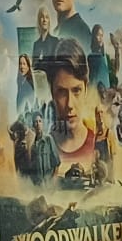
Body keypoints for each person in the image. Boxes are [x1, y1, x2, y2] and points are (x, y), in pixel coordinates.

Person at [37, 39, 97, 175]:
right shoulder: (42, 148)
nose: (69, 104)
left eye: (76, 91)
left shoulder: (98, 145)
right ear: (52, 93)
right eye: (62, 92)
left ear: (86, 89)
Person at [27, 111, 59, 182]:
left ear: (42, 123)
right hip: (37, 183)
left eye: (40, 121)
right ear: (33, 125)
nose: (38, 124)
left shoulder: (48, 139)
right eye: (36, 122)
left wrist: (54, 178)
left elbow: (56, 162)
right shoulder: (31, 143)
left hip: (48, 181)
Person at [88, 25, 112, 90]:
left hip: (106, 91)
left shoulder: (104, 56)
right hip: (95, 90)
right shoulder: (90, 56)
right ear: (93, 36)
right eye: (98, 35)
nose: (100, 38)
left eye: (102, 35)